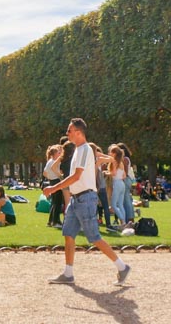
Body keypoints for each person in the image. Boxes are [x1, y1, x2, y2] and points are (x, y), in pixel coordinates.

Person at [44, 118, 130, 286]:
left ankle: (122, 267)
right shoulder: (78, 150)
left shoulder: (84, 150)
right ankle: (68, 274)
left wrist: (53, 188)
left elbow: (76, 176)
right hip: (77, 199)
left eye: (69, 130)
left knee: (94, 237)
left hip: (85, 198)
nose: (66, 133)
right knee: (68, 235)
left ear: (78, 132)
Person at [43, 144, 64, 228]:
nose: (60, 154)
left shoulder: (49, 161)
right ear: (54, 153)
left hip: (52, 181)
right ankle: (56, 221)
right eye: (58, 152)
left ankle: (51, 221)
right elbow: (53, 169)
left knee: (54, 202)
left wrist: (50, 178)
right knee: (58, 202)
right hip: (56, 181)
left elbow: (44, 173)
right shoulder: (54, 162)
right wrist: (60, 176)